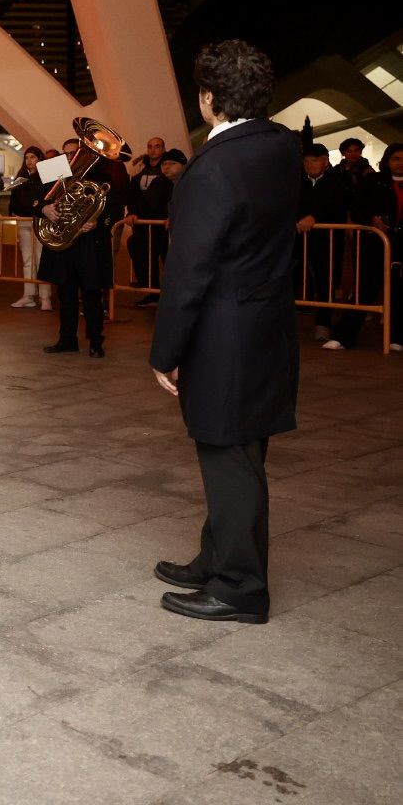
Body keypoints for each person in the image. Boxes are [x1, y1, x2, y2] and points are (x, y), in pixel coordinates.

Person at [151, 39, 300, 624]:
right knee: (242, 448)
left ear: (209, 99)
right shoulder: (280, 147)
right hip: (266, 325)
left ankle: (240, 587)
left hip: (225, 333)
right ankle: (216, 556)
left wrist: (166, 352)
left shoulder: (212, 167)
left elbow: (190, 272)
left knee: (228, 455)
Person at [38, 151, 124, 358]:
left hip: (90, 245)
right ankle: (67, 340)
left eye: (75, 153)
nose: (71, 157)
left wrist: (96, 222)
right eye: (68, 154)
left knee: (92, 295)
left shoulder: (104, 176)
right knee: (65, 294)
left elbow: (115, 209)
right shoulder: (55, 172)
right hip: (64, 244)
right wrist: (43, 208)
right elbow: (32, 194)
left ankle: (96, 341)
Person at [325, 142, 403, 352]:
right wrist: (372, 220)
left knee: (399, 291)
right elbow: (358, 208)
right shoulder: (374, 181)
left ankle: (397, 337)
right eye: (396, 159)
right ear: (387, 161)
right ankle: (344, 336)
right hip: (376, 244)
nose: (400, 163)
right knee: (363, 289)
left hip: (400, 246)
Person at [296, 143, 352, 341]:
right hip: (298, 239)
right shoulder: (297, 182)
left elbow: (336, 204)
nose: (310, 165)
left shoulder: (337, 181)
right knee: (293, 276)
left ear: (326, 161)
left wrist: (314, 217)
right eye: (307, 161)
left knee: (325, 279)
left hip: (326, 240)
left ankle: (324, 322)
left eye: (315, 160)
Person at [123, 142, 175, 308]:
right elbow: (131, 193)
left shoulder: (168, 167)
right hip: (142, 221)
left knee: (169, 257)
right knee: (140, 251)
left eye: (157, 146)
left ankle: (172, 294)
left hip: (163, 222)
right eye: (150, 146)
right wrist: (131, 212)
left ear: (163, 148)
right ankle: (152, 292)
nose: (153, 149)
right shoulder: (140, 168)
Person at [6, 145, 48, 310]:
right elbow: (14, 198)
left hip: (40, 221)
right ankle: (28, 295)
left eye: (33, 157)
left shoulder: (45, 177)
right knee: (27, 259)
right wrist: (13, 212)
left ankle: (45, 297)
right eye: (27, 157)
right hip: (23, 221)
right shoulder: (21, 177)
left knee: (41, 259)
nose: (29, 161)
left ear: (40, 159)